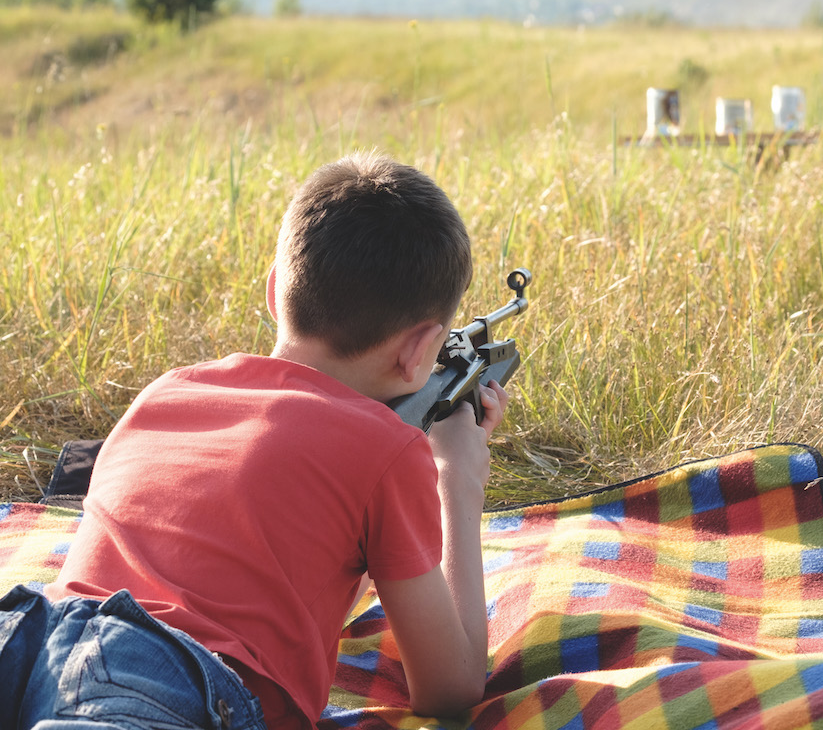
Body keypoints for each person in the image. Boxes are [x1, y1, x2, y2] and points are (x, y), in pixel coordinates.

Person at [0, 151, 506, 729]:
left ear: (273, 291)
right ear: (421, 350)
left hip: (34, 628)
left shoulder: (168, 390)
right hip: (161, 674)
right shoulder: (388, 450)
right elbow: (450, 685)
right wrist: (458, 479)